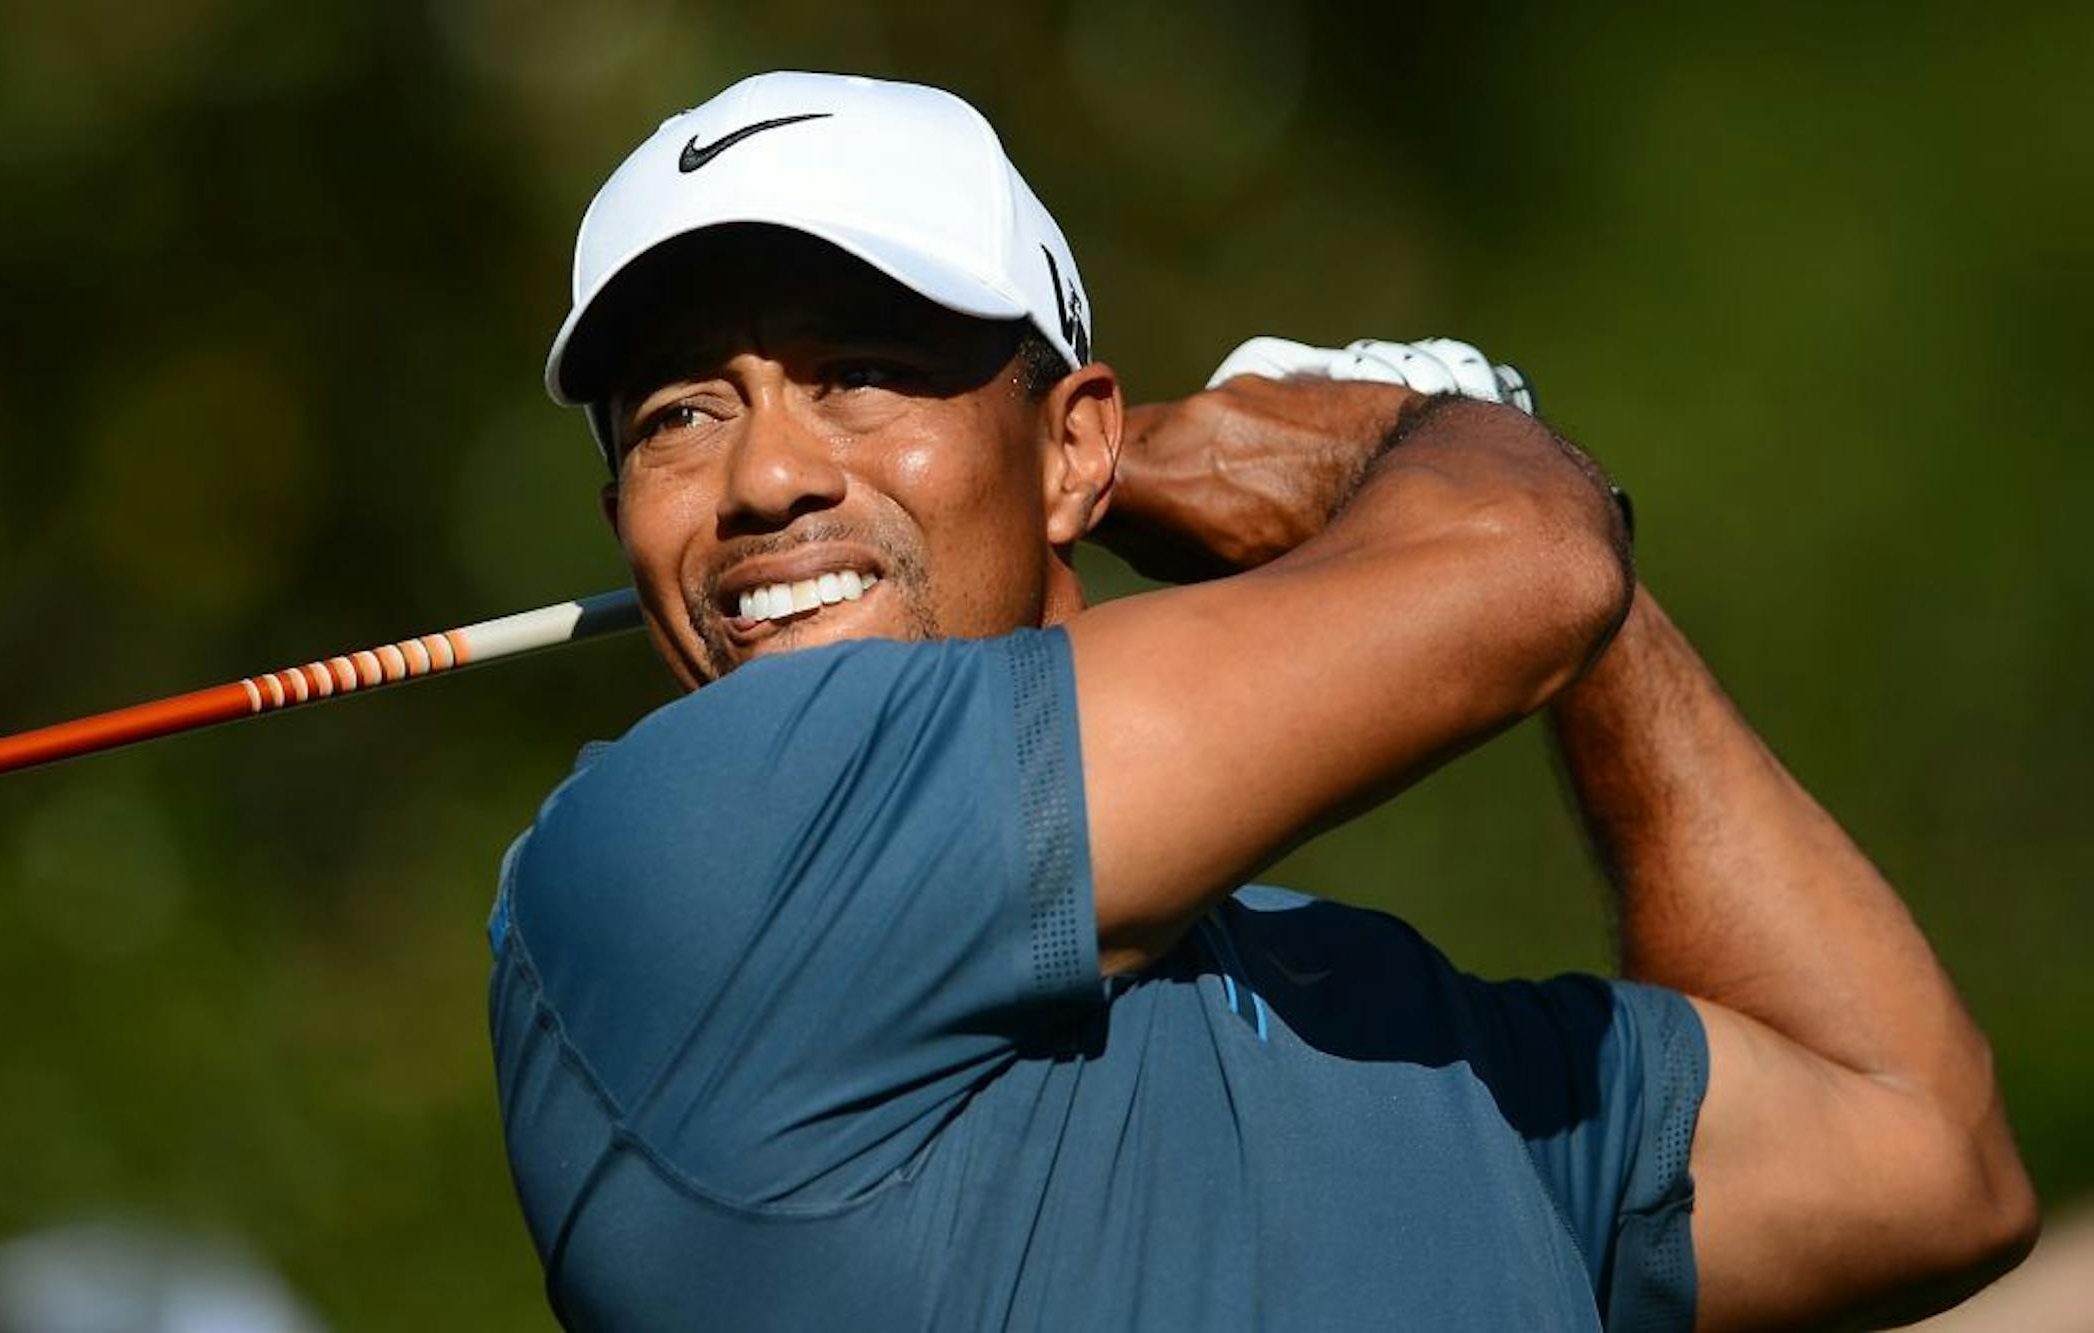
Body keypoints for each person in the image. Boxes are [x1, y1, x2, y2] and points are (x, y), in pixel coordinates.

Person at [486, 71, 2037, 1331]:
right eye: (682, 413)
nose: (765, 476)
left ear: (1075, 449)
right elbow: (1525, 563)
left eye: (862, 371)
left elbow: (1925, 1154)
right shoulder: (667, 859)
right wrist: (1429, 432)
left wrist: (1585, 588)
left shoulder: (1372, 1013)